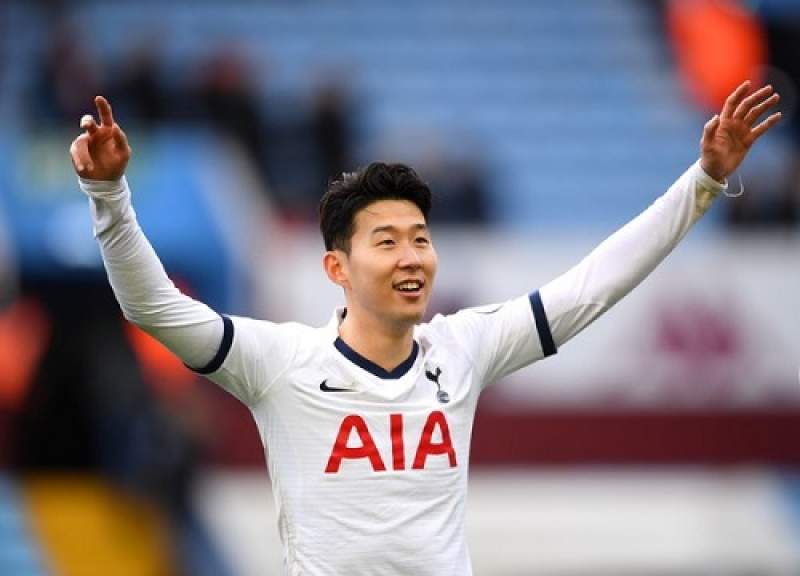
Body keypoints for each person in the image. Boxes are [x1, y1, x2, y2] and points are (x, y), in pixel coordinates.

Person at [69, 81, 780, 575]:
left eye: (421, 238)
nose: (412, 257)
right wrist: (109, 196)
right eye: (386, 241)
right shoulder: (280, 362)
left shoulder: (462, 348)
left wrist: (703, 182)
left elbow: (593, 286)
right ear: (336, 267)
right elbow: (153, 307)